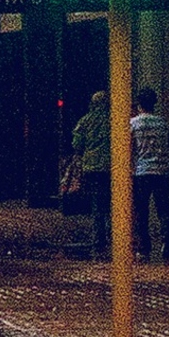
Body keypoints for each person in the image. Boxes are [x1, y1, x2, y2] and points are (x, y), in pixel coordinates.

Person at [127, 88, 169, 258]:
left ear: (139, 104)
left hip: (141, 172)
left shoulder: (133, 124)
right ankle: (167, 242)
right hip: (162, 172)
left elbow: (129, 148)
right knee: (164, 208)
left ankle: (144, 246)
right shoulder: (164, 124)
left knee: (141, 210)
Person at [71, 91, 113, 251]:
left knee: (97, 203)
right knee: (111, 201)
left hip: (91, 166)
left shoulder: (85, 121)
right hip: (112, 166)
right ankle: (114, 234)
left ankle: (99, 237)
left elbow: (77, 144)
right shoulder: (114, 119)